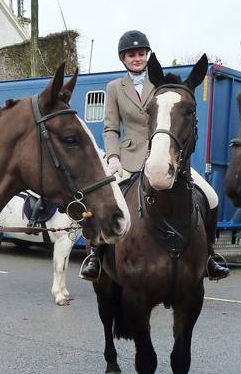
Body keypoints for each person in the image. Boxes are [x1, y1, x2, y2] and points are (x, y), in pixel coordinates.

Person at [80, 30, 229, 281]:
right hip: (127, 158)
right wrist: (113, 157)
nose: (137, 58)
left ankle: (210, 255)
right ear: (123, 59)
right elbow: (110, 127)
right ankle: (95, 253)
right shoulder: (114, 88)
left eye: (141, 54)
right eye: (131, 55)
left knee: (211, 197)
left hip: (166, 156)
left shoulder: (161, 85)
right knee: (101, 201)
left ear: (147, 56)